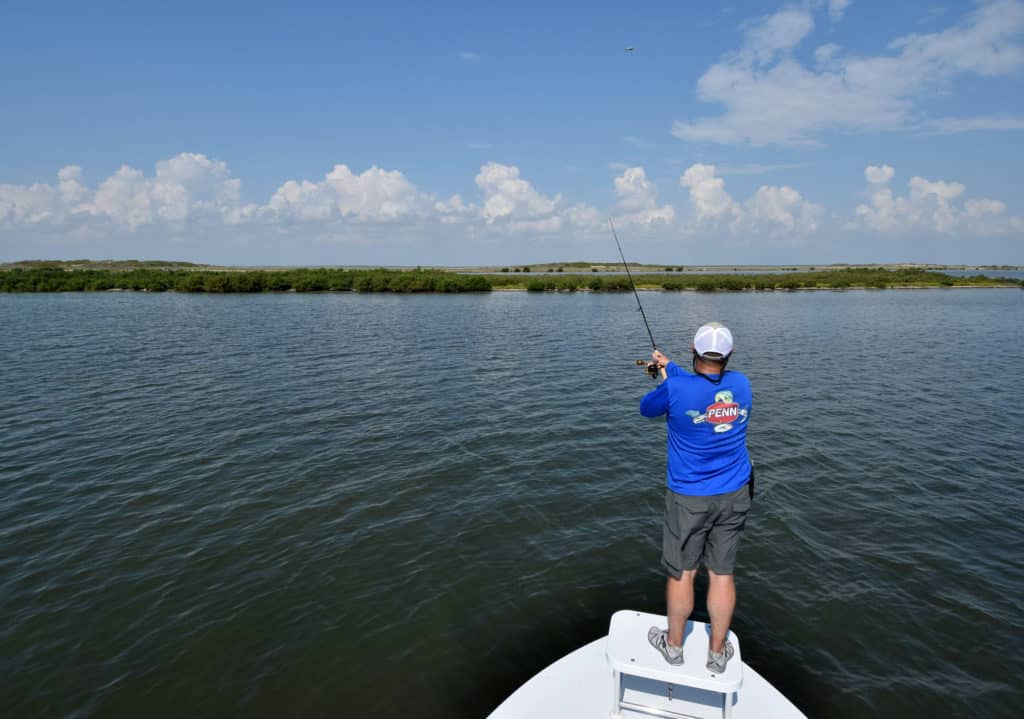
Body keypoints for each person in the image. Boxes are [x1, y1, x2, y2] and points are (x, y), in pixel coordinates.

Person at [639, 321, 753, 674]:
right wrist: (668, 366)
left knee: (683, 574)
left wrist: (661, 375)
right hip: (735, 493)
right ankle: (717, 654)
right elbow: (698, 385)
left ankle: (673, 647)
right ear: (730, 354)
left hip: (689, 499)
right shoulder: (742, 384)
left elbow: (648, 408)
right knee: (722, 575)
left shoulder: (676, 388)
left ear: (694, 349)